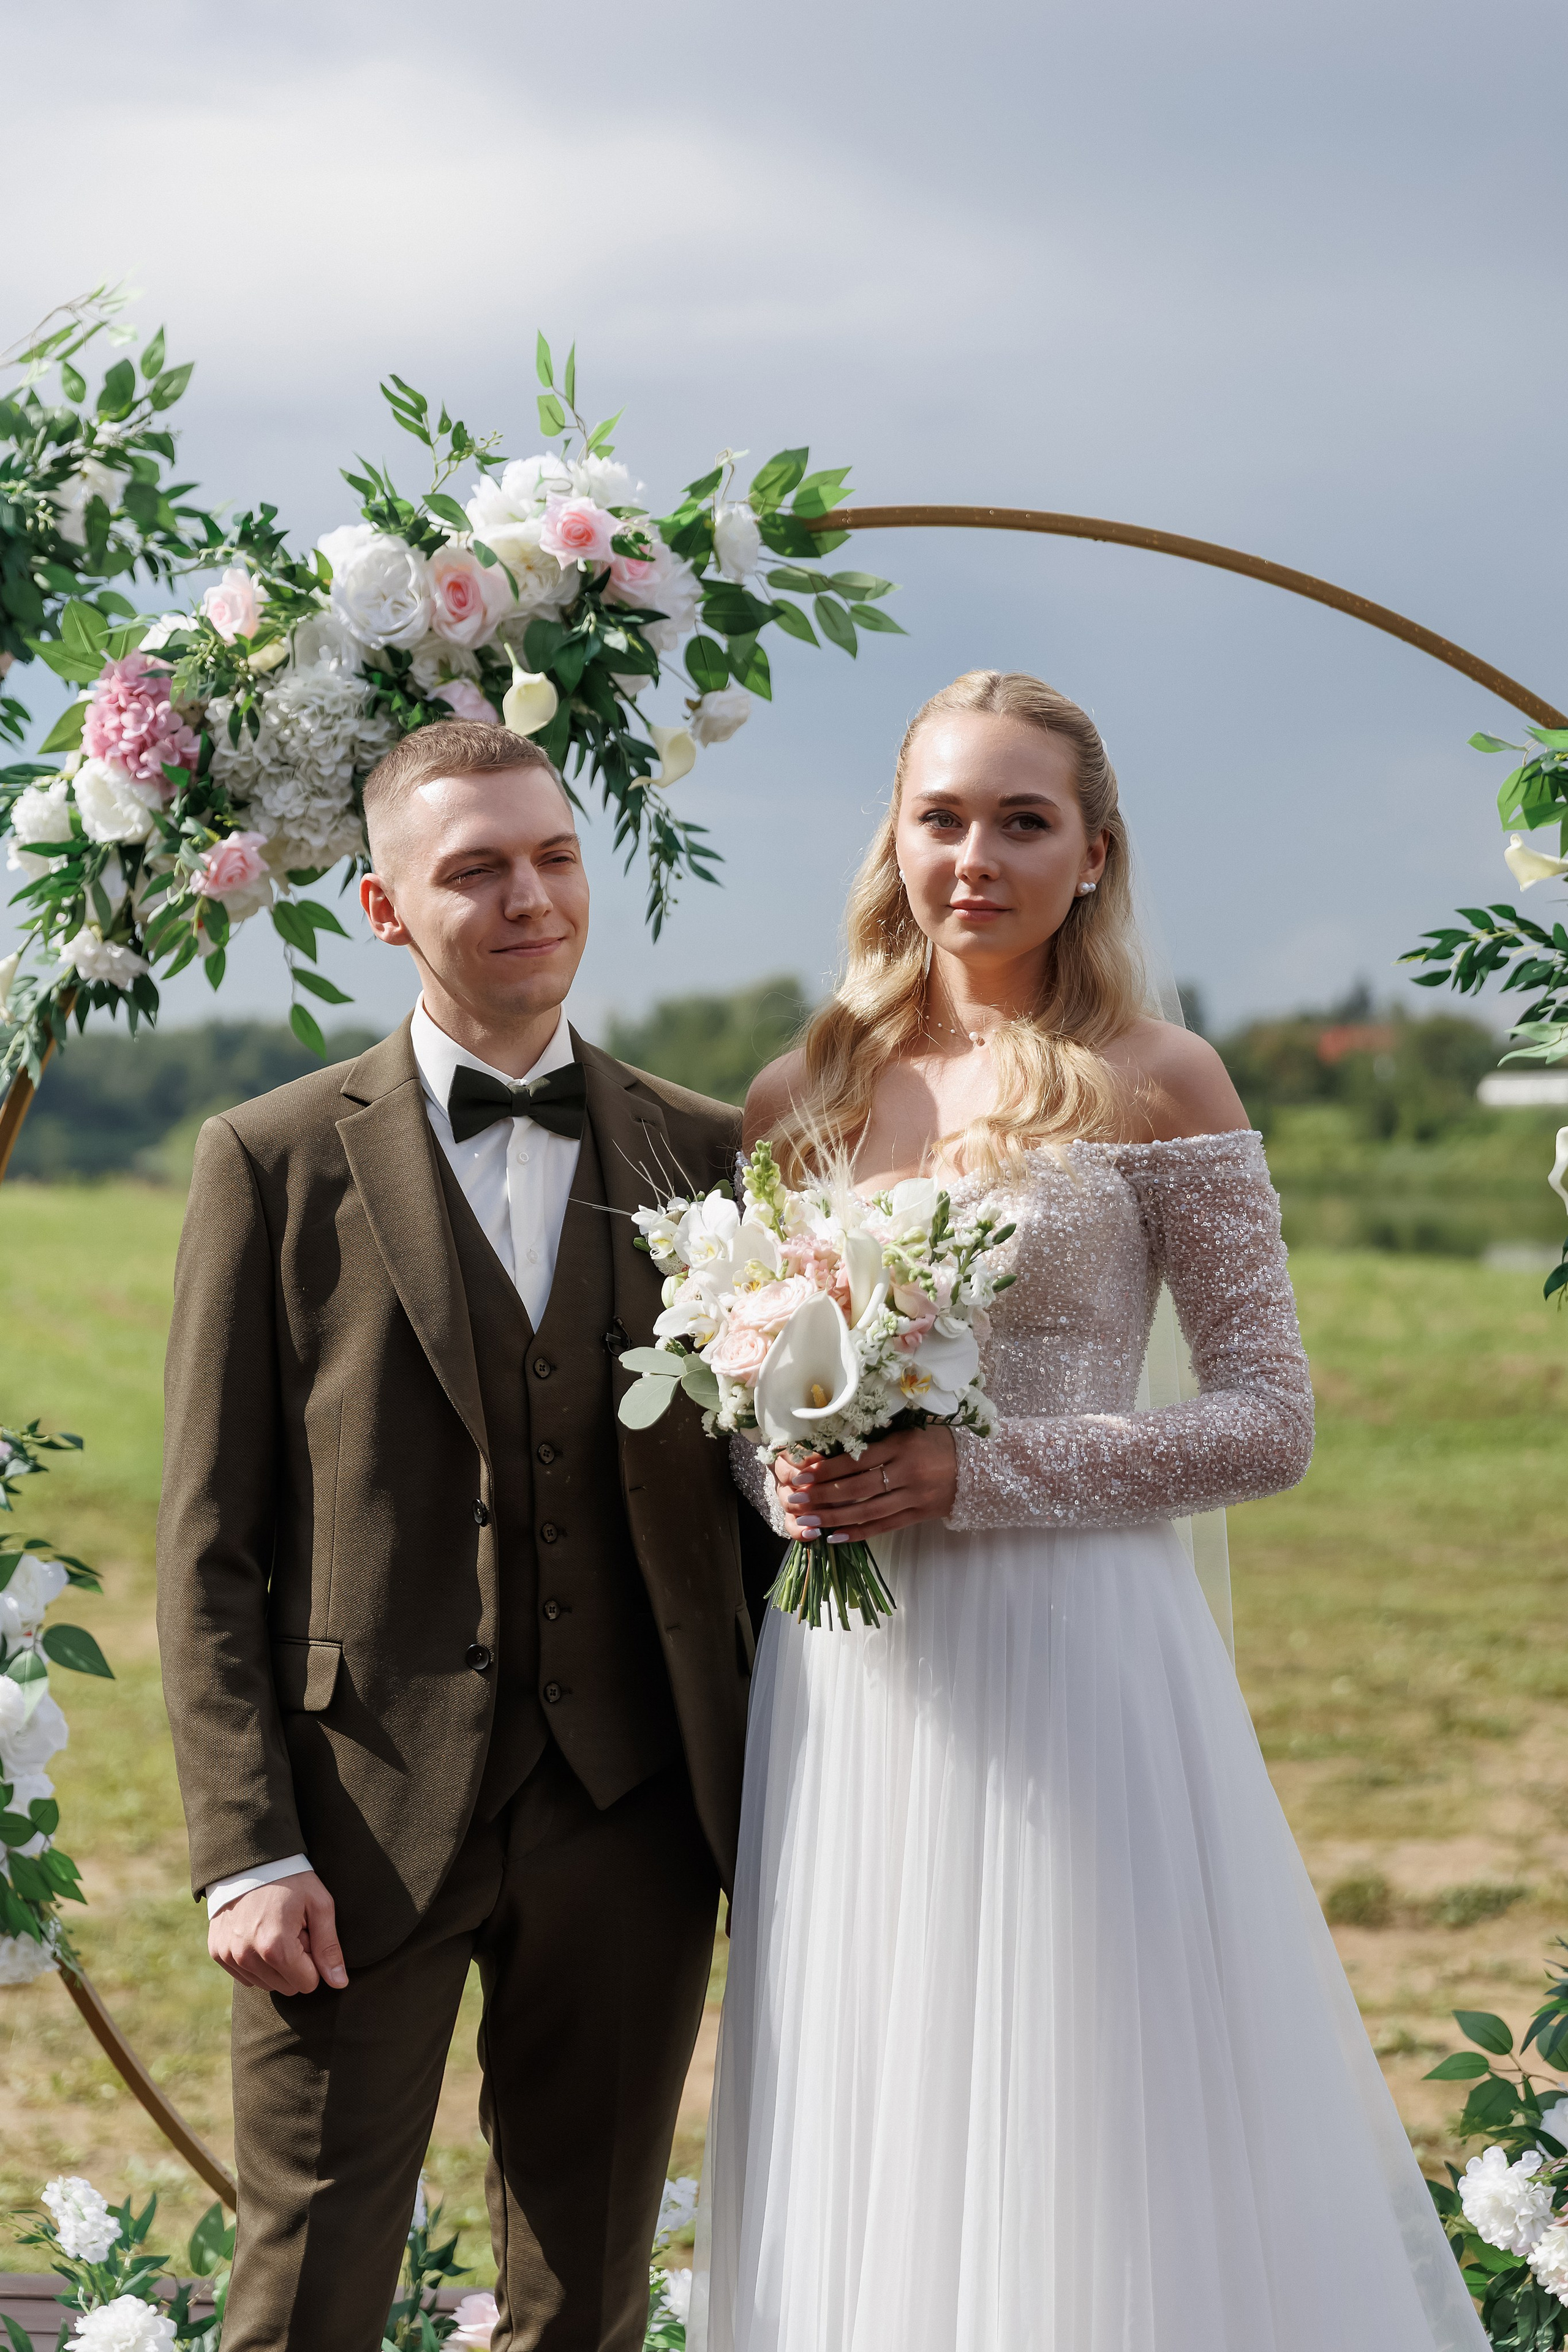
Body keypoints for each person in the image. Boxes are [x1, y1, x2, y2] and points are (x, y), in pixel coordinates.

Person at [695, 672, 1485, 2351]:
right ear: (893, 840)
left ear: (1097, 852)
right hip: (861, 1684)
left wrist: (981, 1478)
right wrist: (785, 1471)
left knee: (1082, 2089)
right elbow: (749, 1385)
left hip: (1080, 1659)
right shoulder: (801, 1094)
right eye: (943, 815)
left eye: (1021, 819)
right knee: (878, 2075)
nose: (974, 855)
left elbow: (1271, 1424)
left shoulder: (1156, 1077)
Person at [156, 719, 780, 2352]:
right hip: (350, 1825)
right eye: (477, 870)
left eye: (556, 857)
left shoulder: (709, 1156)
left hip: (636, 1815)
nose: (530, 897)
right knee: (307, 2291)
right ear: (383, 909)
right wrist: (247, 1846)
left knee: (586, 2295)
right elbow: (208, 1547)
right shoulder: (271, 1163)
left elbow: (768, 1520)